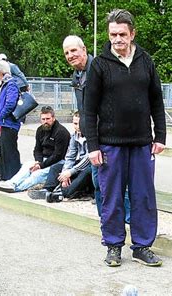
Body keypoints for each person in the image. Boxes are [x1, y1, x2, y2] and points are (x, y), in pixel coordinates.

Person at [84, 9, 166, 268]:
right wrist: (93, 146)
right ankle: (113, 246)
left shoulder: (146, 61)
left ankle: (142, 246)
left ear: (133, 34)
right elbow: (89, 110)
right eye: (112, 34)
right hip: (110, 145)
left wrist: (160, 136)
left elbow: (156, 100)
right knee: (112, 197)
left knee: (143, 197)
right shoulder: (99, 65)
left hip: (142, 142)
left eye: (122, 34)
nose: (117, 39)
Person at [63, 35, 131, 221]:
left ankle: (130, 221)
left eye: (74, 50)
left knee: (116, 182)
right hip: (92, 139)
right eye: (67, 52)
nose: (70, 55)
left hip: (109, 138)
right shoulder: (77, 76)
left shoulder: (100, 69)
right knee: (99, 183)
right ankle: (107, 221)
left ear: (84, 49)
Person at [0, 106, 70, 193]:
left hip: (57, 163)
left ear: (53, 118)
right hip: (43, 160)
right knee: (27, 166)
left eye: (48, 119)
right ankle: (11, 183)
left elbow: (58, 155)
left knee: (36, 175)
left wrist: (41, 165)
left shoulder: (61, 132)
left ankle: (17, 188)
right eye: (43, 119)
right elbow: (37, 149)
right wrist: (38, 161)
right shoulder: (40, 130)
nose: (45, 121)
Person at [27, 111, 93, 202]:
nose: (77, 126)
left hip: (90, 165)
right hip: (78, 164)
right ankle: (47, 190)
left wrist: (70, 172)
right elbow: (70, 156)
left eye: (79, 124)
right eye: (75, 123)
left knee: (86, 172)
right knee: (56, 167)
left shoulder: (91, 137)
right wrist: (65, 172)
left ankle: (63, 194)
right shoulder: (74, 136)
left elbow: (88, 158)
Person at [0, 60, 21, 181]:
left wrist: (0, 116)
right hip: (6, 122)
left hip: (9, 122)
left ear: (0, 72)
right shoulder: (6, 84)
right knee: (4, 149)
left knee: (10, 150)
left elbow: (10, 103)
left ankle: (12, 175)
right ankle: (5, 174)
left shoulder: (10, 84)